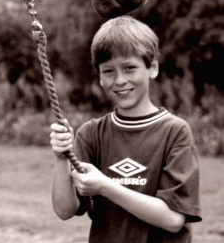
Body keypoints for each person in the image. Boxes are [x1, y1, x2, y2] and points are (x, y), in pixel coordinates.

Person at [50, 15, 201, 243]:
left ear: (152, 68)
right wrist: (61, 158)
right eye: (108, 71)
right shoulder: (91, 134)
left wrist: (105, 186)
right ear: (99, 77)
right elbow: (64, 210)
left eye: (129, 68)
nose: (120, 80)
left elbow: (173, 219)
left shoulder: (175, 131)